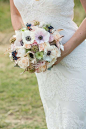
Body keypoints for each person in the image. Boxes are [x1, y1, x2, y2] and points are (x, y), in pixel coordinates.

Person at [10, 0, 86, 128]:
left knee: (74, 121)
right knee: (56, 119)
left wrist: (65, 50)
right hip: (44, 63)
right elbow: (15, 14)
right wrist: (25, 40)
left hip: (74, 56)